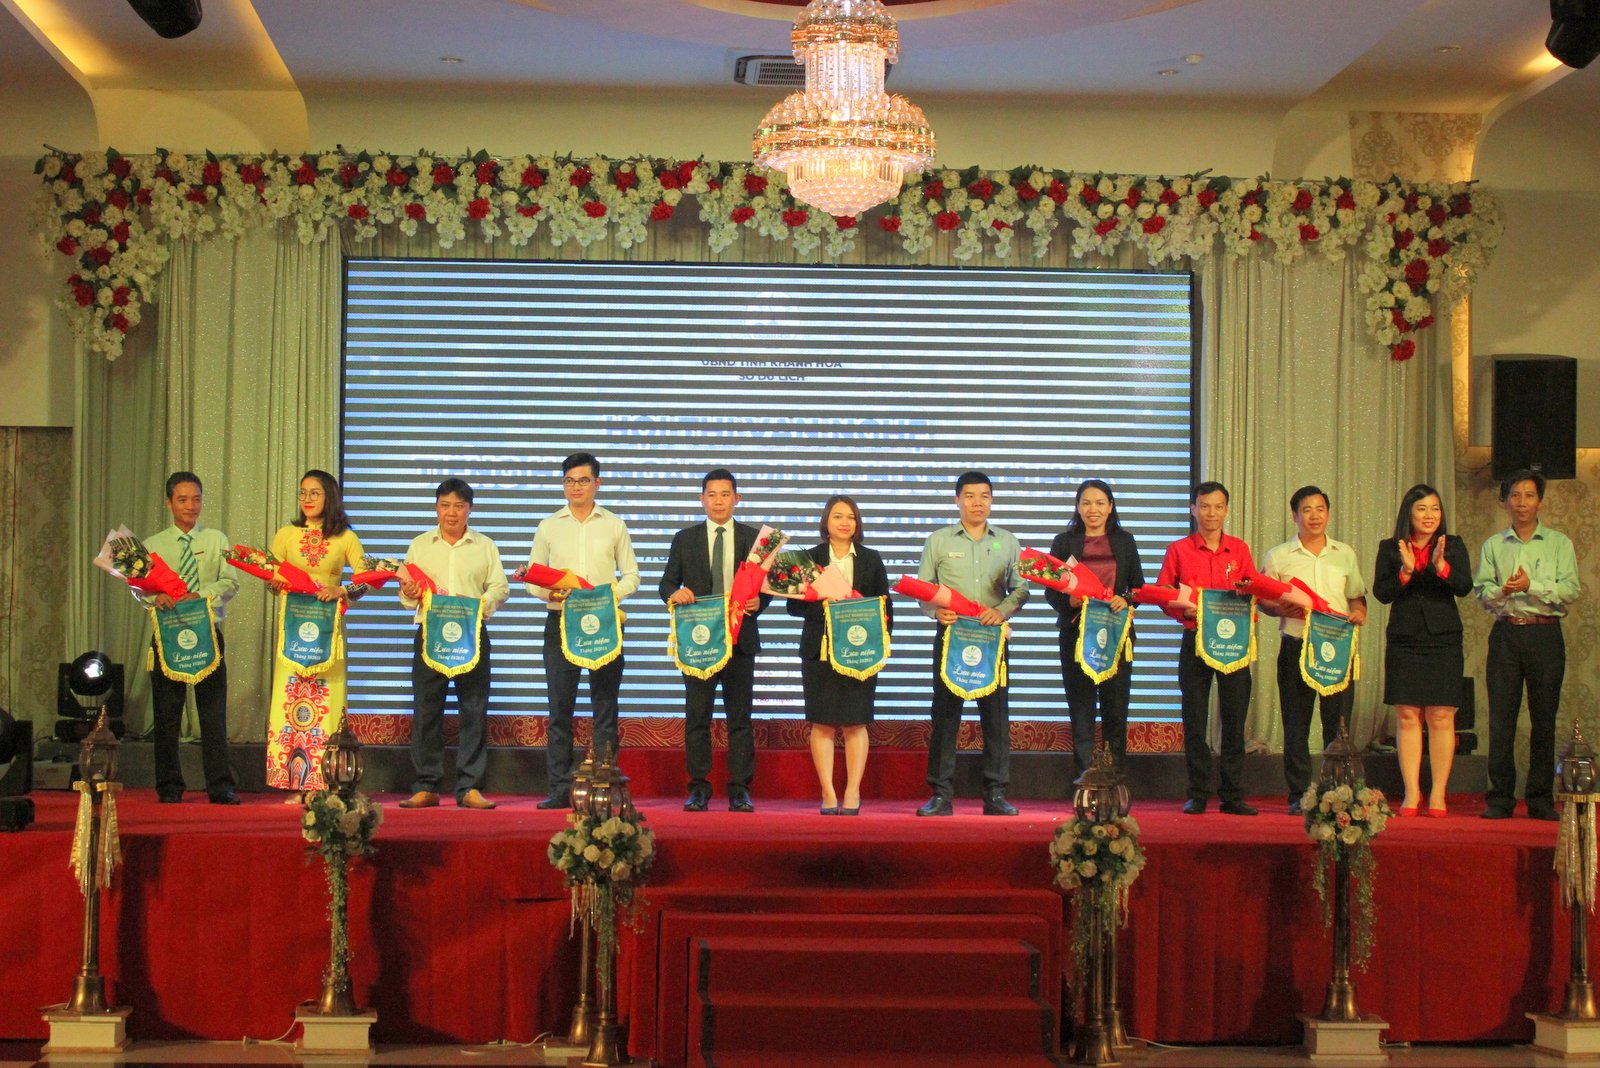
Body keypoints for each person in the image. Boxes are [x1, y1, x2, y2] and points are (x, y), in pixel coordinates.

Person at [525, 453, 639, 810]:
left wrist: (606, 595)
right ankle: (560, 787)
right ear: (563, 485)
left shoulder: (614, 525)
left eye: (583, 480)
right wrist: (551, 592)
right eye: (570, 481)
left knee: (605, 706)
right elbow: (533, 579)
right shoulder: (548, 526)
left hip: (603, 622)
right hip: (560, 621)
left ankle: (605, 781)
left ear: (597, 484)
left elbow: (633, 577)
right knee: (560, 707)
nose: (576, 487)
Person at [915, 471, 1028, 817]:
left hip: (992, 640)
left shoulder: (1008, 541)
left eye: (984, 496)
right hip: (952, 637)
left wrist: (1001, 610)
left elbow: (1021, 589)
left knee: (995, 718)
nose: (977, 502)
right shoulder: (938, 540)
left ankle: (995, 794)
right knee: (945, 717)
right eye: (969, 496)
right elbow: (923, 588)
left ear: (991, 500)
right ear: (957, 500)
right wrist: (936, 612)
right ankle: (941, 795)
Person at [396, 478, 510, 811]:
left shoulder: (485, 545)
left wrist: (478, 605)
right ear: (436, 507)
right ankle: (426, 785)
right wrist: (410, 593)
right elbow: (405, 595)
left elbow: (500, 588)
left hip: (471, 634)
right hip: (430, 634)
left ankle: (470, 786)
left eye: (459, 506)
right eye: (445, 505)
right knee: (426, 708)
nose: (451, 512)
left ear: (469, 509)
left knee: (473, 709)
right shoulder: (420, 545)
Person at [1473, 470, 1580, 821]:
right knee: (1501, 719)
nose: (1521, 503)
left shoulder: (1559, 543)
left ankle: (1539, 798)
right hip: (1506, 634)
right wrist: (1504, 590)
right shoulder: (1493, 545)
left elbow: (1570, 591)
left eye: (1529, 495)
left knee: (1543, 719)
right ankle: (1501, 798)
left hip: (1545, 635)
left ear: (1541, 501)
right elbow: (1483, 595)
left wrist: (1530, 585)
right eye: (1514, 496)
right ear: (1505, 502)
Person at [659, 468, 768, 812]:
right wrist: (675, 594)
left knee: (740, 719)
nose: (718, 501)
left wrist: (759, 603)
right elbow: (665, 585)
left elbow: (767, 589)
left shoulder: (755, 540)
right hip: (699, 642)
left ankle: (739, 789)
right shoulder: (684, 538)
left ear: (737, 498)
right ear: (701, 499)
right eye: (712, 494)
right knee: (697, 717)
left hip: (739, 641)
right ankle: (699, 788)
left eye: (725, 494)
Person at [1259, 486, 1369, 815]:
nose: (1315, 515)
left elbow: (1356, 596)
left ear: (1329, 514)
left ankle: (1339, 792)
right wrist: (1280, 609)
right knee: (1296, 725)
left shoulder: (1344, 553)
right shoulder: (1278, 556)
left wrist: (1360, 612)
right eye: (1307, 510)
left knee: (1338, 726)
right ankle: (1298, 796)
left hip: (1336, 649)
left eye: (1320, 509)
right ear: (1295, 516)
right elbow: (1263, 599)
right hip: (1297, 646)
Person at [1157, 480, 1259, 816]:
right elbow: (1163, 593)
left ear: (1226, 510)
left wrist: (1249, 596)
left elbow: (1253, 589)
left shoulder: (1240, 550)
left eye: (1218, 506)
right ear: (1193, 509)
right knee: (1195, 718)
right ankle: (1197, 792)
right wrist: (1179, 607)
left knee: (1234, 719)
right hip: (1195, 639)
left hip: (1234, 645)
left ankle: (1232, 793)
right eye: (1204, 506)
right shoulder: (1178, 550)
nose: (1211, 513)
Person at [786, 495, 893, 815]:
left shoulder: (871, 560)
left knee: (855, 724)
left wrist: (880, 643)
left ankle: (852, 792)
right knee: (822, 724)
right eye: (838, 516)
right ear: (826, 522)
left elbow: (886, 607)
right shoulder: (809, 558)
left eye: (851, 517)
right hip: (818, 650)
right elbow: (792, 605)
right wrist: (822, 602)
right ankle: (828, 794)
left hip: (861, 651)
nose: (845, 522)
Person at [1371, 482, 1473, 817]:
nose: (1429, 516)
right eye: (1421, 509)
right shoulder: (1390, 547)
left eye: (1435, 509)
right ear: (1408, 513)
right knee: (1407, 715)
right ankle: (1412, 793)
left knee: (1442, 716)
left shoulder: (1452, 545)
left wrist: (1441, 566)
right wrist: (1406, 571)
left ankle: (1439, 794)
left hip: (1443, 640)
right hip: (1404, 639)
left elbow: (1463, 586)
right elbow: (1382, 593)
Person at [266, 469, 366, 800]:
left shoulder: (346, 537)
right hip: (293, 633)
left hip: (328, 635)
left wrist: (341, 590)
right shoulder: (285, 534)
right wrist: (274, 583)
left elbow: (365, 580)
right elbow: (271, 579)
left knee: (327, 706)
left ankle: (323, 783)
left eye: (315, 493)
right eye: (303, 493)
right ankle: (294, 783)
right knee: (289, 704)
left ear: (330, 497)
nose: (307, 499)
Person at [142, 472, 240, 804]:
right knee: (167, 714)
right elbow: (139, 588)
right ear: (169, 502)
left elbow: (230, 583)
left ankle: (220, 785)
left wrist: (199, 596)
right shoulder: (153, 545)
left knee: (212, 713)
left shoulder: (216, 539)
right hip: (168, 635)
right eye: (183, 499)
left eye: (196, 498)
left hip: (207, 634)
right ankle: (169, 786)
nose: (191, 506)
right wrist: (154, 598)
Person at [1046, 478, 1144, 779]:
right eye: (1086, 502)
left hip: (1115, 637)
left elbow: (1138, 588)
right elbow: (1051, 591)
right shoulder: (1064, 541)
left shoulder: (1125, 541)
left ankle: (1114, 781)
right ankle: (1085, 782)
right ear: (1078, 506)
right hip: (1076, 637)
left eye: (1100, 503)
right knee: (1081, 712)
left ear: (1111, 506)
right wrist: (1070, 601)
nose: (1093, 509)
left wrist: (1124, 599)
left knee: (1116, 712)